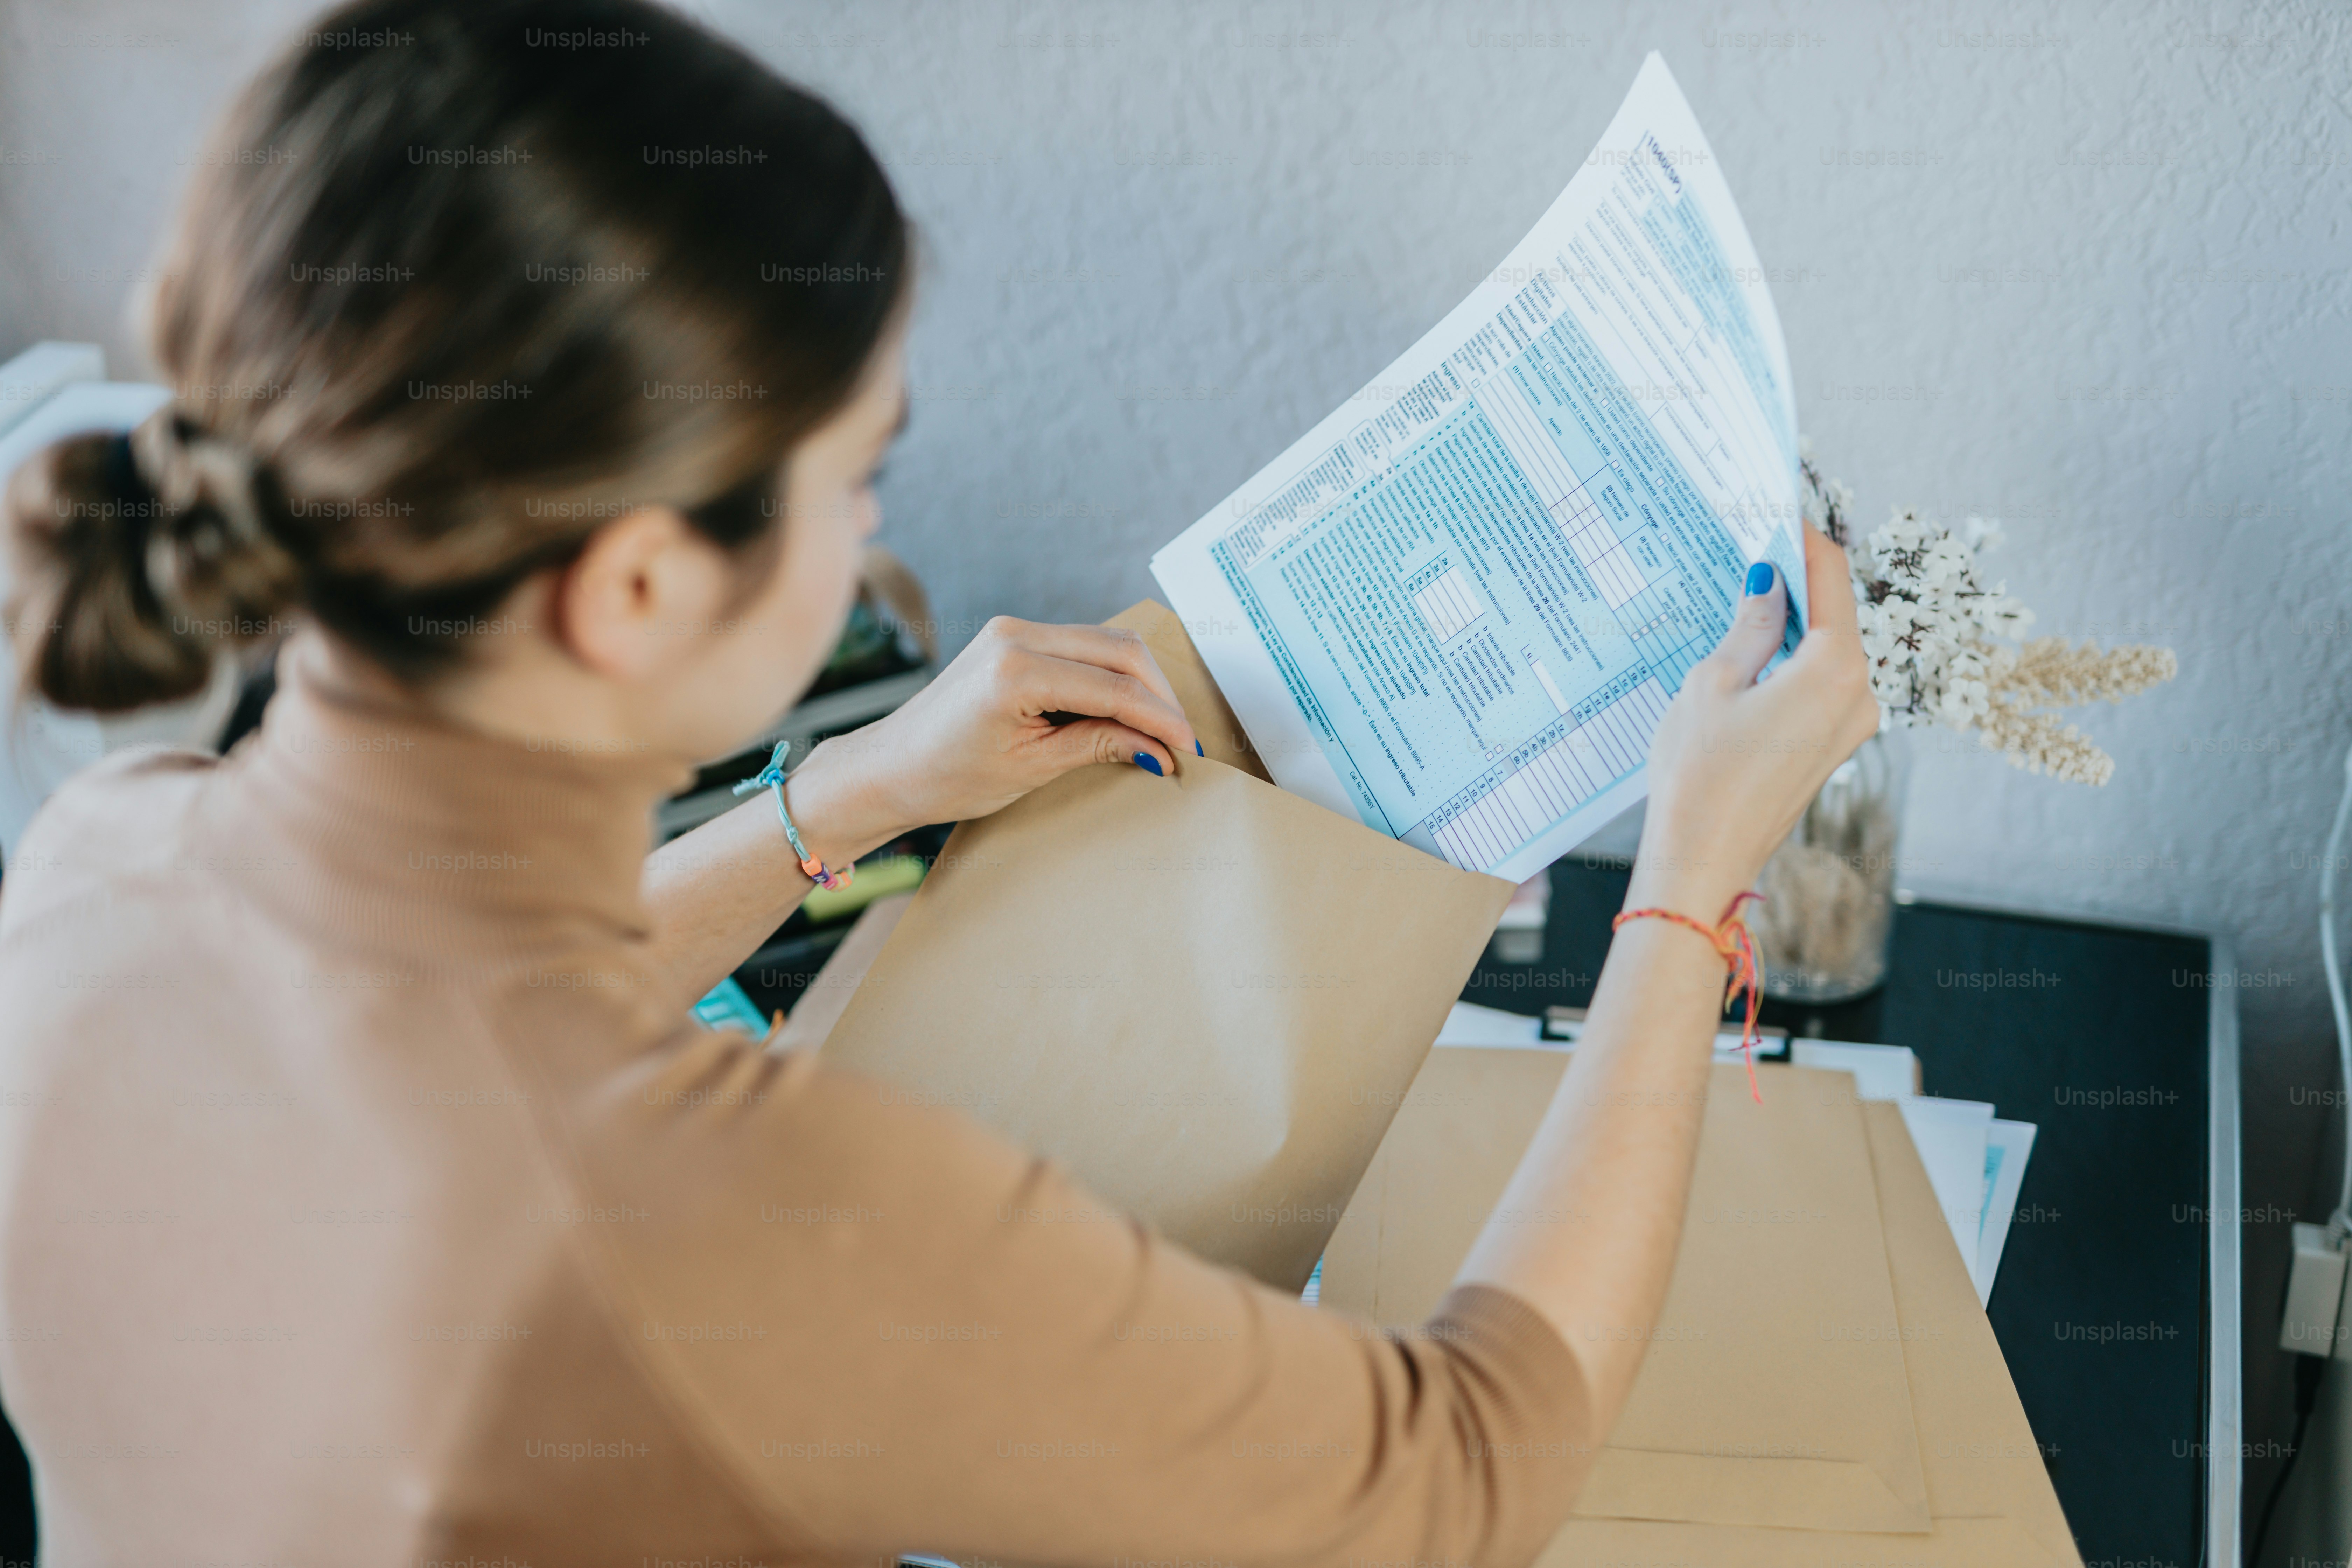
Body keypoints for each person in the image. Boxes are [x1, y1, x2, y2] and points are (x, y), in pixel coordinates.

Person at [0, 1, 1878, 1562]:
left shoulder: (96, 867)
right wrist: (1687, 875)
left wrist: (844, 800)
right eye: (854, 484)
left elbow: (460, 1036)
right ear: (641, 586)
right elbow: (1463, 1471)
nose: (870, 535)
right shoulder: (757, 1220)